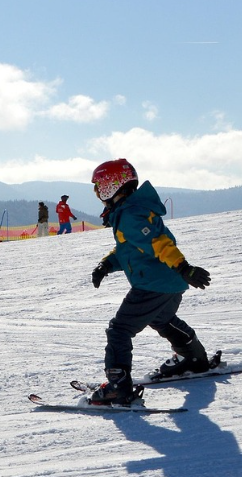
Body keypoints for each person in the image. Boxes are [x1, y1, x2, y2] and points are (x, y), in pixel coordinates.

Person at [88, 158, 215, 406]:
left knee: (119, 330)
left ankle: (117, 387)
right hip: (170, 282)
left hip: (153, 284)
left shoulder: (130, 215)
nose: (99, 194)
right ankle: (193, 358)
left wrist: (184, 267)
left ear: (113, 185)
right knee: (161, 319)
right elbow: (130, 249)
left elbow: (159, 244)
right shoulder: (131, 211)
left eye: (99, 187)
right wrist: (106, 265)